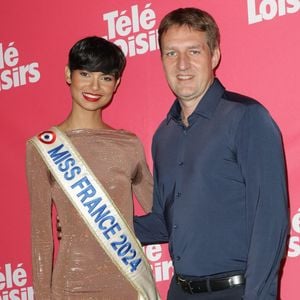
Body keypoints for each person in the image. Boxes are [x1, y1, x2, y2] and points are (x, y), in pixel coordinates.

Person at [134, 7, 289, 300]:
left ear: (214, 56)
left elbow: (270, 220)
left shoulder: (247, 118)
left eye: (193, 51)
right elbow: (165, 222)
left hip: (238, 292)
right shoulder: (162, 136)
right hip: (179, 292)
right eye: (171, 53)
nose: (182, 64)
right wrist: (95, 224)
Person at [26, 36, 157, 300]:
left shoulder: (128, 144)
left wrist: (110, 226)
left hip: (126, 281)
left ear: (116, 83)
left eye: (105, 77)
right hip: (70, 285)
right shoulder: (42, 147)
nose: (94, 86)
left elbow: (160, 214)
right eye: (85, 73)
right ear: (68, 74)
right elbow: (41, 234)